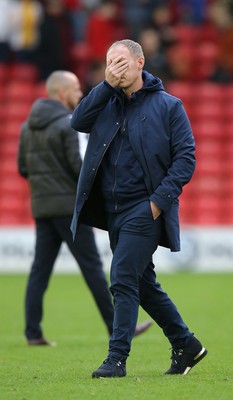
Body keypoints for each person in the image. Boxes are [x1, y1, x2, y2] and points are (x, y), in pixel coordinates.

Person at [70, 39, 208, 378]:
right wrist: (105, 85)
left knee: (122, 278)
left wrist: (157, 204)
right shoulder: (105, 101)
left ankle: (116, 359)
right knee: (143, 284)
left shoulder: (169, 106)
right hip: (113, 211)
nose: (116, 67)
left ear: (140, 62)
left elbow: (186, 158)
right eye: (110, 62)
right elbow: (77, 121)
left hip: (144, 209)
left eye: (122, 61)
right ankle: (187, 344)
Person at [17, 70, 152, 346]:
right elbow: (80, 167)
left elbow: (22, 167)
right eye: (76, 89)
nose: (80, 94)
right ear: (62, 93)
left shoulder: (26, 126)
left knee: (39, 270)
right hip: (68, 209)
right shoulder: (66, 124)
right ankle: (118, 328)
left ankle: (33, 332)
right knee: (92, 268)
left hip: (42, 207)